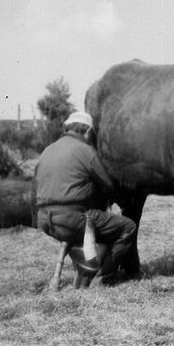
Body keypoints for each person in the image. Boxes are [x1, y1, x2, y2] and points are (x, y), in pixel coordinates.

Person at [35, 111, 136, 289]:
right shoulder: (86, 151)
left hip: (45, 220)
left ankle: (85, 269)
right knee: (127, 227)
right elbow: (108, 184)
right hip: (73, 218)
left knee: (95, 227)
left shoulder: (47, 150)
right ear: (88, 131)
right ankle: (102, 277)